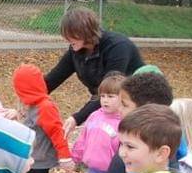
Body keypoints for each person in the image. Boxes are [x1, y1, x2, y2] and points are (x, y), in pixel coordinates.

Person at [43, 8, 144, 136]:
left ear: (86, 31)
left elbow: (109, 91)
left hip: (136, 107)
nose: (67, 39)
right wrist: (26, 102)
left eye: (71, 34)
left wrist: (77, 118)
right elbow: (52, 79)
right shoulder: (76, 50)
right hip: (111, 105)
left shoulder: (117, 47)